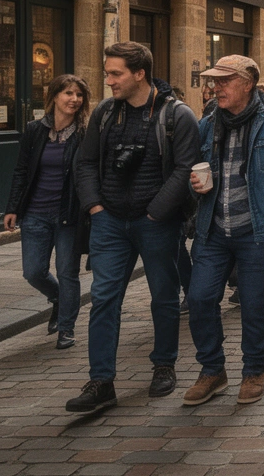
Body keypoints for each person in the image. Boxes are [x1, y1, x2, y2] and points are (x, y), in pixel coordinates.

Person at [67, 42, 199, 414]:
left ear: (139, 74)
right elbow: (87, 162)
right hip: (109, 221)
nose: (108, 81)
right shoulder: (106, 113)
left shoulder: (177, 115)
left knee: (163, 295)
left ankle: (164, 365)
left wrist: (157, 212)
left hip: (155, 222)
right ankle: (101, 381)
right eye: (108, 73)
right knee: (104, 297)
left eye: (115, 74)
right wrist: (94, 206)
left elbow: (185, 168)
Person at [183, 56, 264, 406]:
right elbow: (193, 175)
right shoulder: (206, 125)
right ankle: (212, 370)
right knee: (200, 298)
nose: (216, 87)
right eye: (214, 81)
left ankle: (254, 369)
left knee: (254, 303)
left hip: (258, 232)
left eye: (224, 81)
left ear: (248, 83)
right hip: (212, 229)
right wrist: (195, 185)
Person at [3, 74, 90, 350]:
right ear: (53, 97)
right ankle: (58, 299)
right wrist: (13, 208)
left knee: (68, 272)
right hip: (36, 213)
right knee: (33, 272)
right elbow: (21, 170)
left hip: (68, 214)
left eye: (78, 95)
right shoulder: (34, 130)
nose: (74, 99)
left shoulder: (85, 133)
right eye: (68, 93)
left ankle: (66, 327)